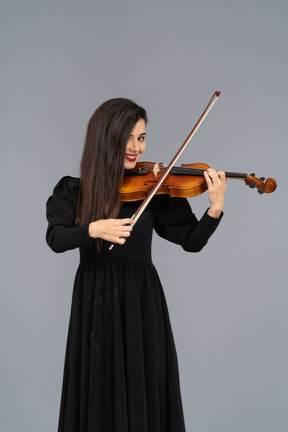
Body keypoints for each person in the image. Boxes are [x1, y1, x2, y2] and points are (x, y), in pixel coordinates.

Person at [46, 98, 226, 432]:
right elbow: (56, 238)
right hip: (96, 298)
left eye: (141, 138)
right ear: (105, 137)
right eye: (127, 137)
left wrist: (214, 209)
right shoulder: (75, 190)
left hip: (142, 299)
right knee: (99, 388)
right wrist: (93, 229)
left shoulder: (153, 188)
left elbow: (191, 241)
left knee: (146, 386)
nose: (135, 147)